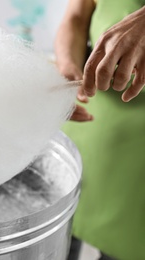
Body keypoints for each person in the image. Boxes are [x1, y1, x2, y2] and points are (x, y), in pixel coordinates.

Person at [54, 1, 145, 260]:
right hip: (92, 119)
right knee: (60, 230)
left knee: (124, 243)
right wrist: (68, 68)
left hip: (138, 150)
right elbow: (76, 16)